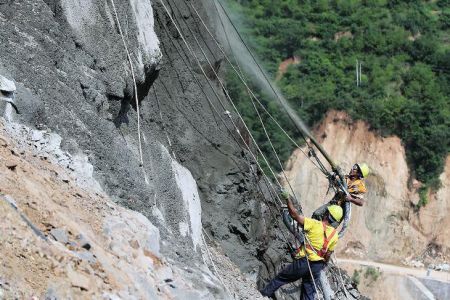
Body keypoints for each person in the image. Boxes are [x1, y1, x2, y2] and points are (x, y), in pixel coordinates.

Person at [260, 195, 342, 300]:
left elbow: (294, 215)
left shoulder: (314, 224)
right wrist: (323, 263)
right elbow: (328, 254)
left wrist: (287, 199)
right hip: (317, 267)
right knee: (308, 293)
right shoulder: (334, 235)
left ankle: (263, 294)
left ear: (327, 214)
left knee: (282, 278)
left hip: (305, 262)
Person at [312, 162, 369, 238]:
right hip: (332, 203)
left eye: (354, 169)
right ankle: (310, 231)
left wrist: (351, 199)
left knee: (329, 230)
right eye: (353, 167)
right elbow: (336, 182)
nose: (352, 169)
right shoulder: (345, 178)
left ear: (359, 173)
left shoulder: (359, 186)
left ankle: (319, 241)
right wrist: (333, 177)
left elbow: (361, 202)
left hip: (339, 211)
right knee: (317, 213)